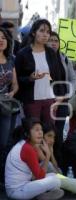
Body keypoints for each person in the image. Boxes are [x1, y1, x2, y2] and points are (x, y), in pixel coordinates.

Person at [15, 19, 64, 123]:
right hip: (31, 101)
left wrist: (60, 97)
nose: (45, 35)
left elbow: (58, 76)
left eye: (48, 32)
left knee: (50, 132)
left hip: (50, 100)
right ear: (33, 33)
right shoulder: (22, 54)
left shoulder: (51, 53)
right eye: (42, 31)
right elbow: (16, 79)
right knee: (33, 132)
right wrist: (30, 78)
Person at [5, 118, 64, 200]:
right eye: (36, 130)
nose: (40, 133)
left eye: (41, 130)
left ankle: (40, 195)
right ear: (28, 134)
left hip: (23, 185)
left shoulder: (26, 145)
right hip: (17, 191)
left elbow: (37, 174)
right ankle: (40, 195)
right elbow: (40, 176)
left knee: (53, 175)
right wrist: (47, 155)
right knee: (56, 180)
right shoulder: (28, 148)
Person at [47, 31, 76, 167]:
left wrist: (67, 95)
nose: (53, 43)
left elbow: (73, 79)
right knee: (48, 132)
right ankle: (47, 163)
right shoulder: (42, 57)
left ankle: (58, 164)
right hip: (47, 100)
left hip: (63, 100)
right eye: (51, 40)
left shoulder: (64, 58)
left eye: (56, 40)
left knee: (58, 134)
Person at [0, 27, 19, 183]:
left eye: (3, 38)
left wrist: (12, 93)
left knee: (4, 142)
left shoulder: (11, 60)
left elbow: (15, 85)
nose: (1, 40)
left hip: (6, 107)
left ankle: (2, 178)